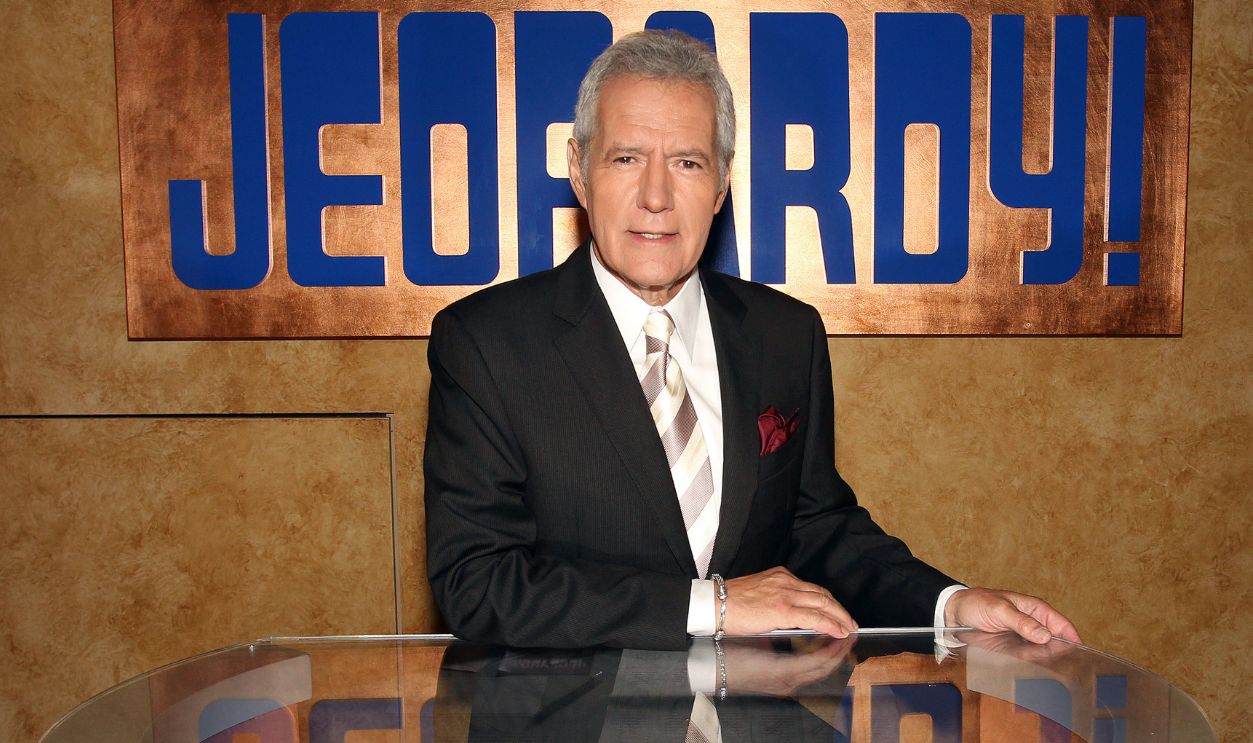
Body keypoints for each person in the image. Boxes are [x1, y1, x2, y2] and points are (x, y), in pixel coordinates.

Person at [424, 29, 1079, 651]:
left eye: (686, 161)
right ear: (577, 168)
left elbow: (816, 525)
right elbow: (477, 586)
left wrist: (947, 603)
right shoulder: (485, 345)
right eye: (626, 157)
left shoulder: (785, 335)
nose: (655, 195)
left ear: (721, 182)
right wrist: (712, 605)